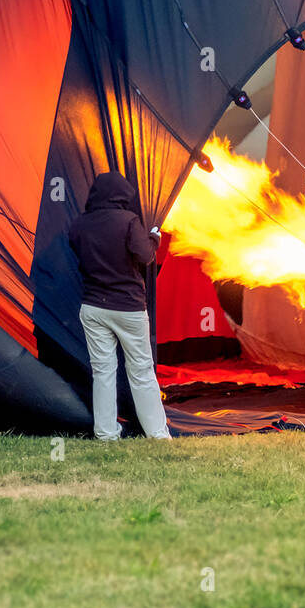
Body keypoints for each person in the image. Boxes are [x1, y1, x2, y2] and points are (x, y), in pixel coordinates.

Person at [68, 171, 171, 441]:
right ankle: (158, 436)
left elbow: (77, 250)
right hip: (128, 308)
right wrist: (154, 239)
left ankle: (105, 434)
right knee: (141, 372)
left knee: (103, 372)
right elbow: (145, 256)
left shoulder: (80, 224)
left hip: (92, 307)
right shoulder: (128, 221)